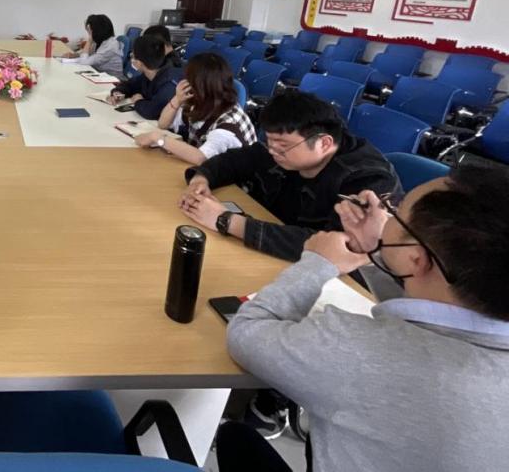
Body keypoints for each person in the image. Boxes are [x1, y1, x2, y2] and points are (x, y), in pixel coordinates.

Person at [217, 166, 509, 472]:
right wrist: (381, 252)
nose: (386, 214)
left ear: (416, 259)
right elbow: (429, 305)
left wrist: (318, 262)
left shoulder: (359, 348)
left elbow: (246, 332)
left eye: (395, 212)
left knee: (234, 439)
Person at [179, 89, 399, 261]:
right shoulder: (285, 147)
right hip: (269, 249)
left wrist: (225, 220)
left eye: (282, 146)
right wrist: (201, 179)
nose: (272, 151)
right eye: (269, 142)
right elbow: (237, 160)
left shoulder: (368, 181)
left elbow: (332, 246)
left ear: (324, 143)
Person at [134, 51, 256, 164]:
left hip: (233, 178)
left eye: (188, 79)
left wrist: (158, 138)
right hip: (206, 169)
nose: (185, 82)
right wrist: (177, 99)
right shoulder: (199, 103)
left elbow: (200, 157)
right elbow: (163, 124)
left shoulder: (229, 123)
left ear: (199, 85)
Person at [107, 34, 175, 119]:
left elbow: (152, 112)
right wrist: (118, 92)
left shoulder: (169, 82)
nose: (131, 58)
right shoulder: (150, 73)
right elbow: (130, 85)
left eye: (133, 56)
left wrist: (138, 101)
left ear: (139, 63)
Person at [62, 13, 123, 78]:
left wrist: (90, 39)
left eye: (89, 31)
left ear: (97, 31)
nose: (88, 33)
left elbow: (84, 62)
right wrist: (74, 55)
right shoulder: (99, 41)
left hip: (112, 80)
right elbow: (87, 53)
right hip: (100, 75)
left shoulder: (110, 46)